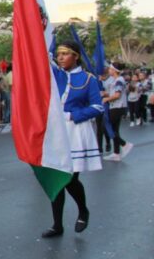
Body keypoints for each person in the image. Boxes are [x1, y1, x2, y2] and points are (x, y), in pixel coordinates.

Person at [40, 41, 104, 238]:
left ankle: (83, 210)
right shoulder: (55, 75)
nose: (60, 57)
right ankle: (57, 224)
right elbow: (41, 56)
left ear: (76, 56)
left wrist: (73, 115)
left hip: (75, 131)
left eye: (65, 54)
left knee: (69, 178)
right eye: (59, 53)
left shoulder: (88, 79)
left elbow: (98, 107)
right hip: (56, 131)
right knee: (56, 177)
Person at [102, 64, 133, 161]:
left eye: (110, 69)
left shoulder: (119, 80)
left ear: (115, 70)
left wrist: (106, 99)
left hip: (117, 107)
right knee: (114, 130)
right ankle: (116, 153)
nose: (109, 70)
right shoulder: (116, 80)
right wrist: (104, 94)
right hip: (116, 107)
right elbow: (113, 93)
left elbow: (117, 95)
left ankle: (124, 144)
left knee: (107, 128)